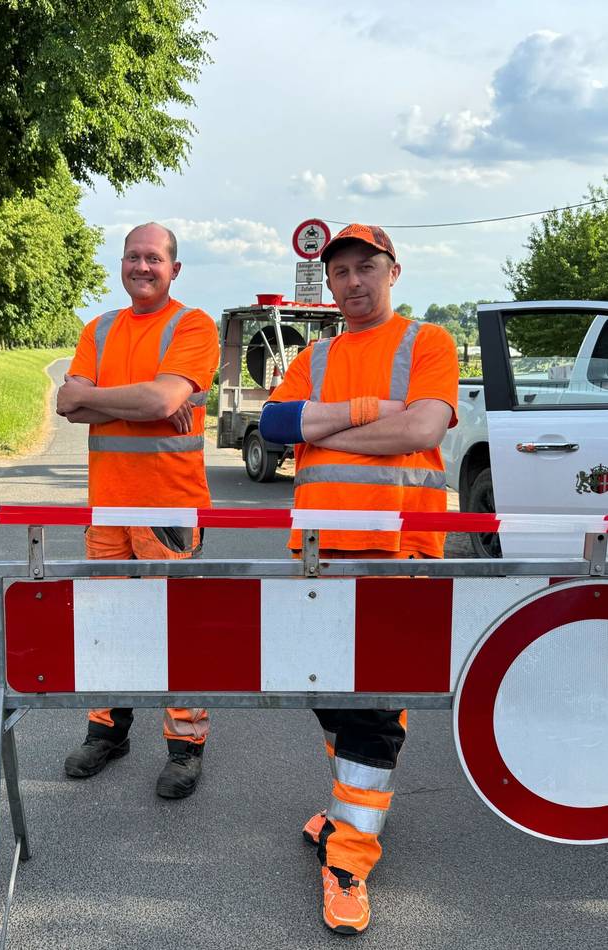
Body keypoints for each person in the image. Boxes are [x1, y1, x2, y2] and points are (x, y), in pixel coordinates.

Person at [259, 223, 458, 935]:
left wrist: (326, 428)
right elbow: (278, 426)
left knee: (372, 708)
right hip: (317, 554)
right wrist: (373, 412)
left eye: (365, 266)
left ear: (393, 271)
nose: (352, 281)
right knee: (330, 697)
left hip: (398, 555)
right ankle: (351, 808)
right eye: (339, 271)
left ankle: (347, 859)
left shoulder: (425, 343)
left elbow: (425, 430)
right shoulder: (316, 354)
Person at [55, 222, 220, 799]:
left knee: (178, 630)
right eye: (132, 257)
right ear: (121, 265)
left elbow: (158, 398)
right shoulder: (99, 329)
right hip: (107, 509)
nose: (142, 267)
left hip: (170, 508)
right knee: (104, 624)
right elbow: (66, 404)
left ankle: (184, 747)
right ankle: (108, 731)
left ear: (174, 269)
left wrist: (122, 399)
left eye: (154, 258)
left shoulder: (192, 325)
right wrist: (146, 401)